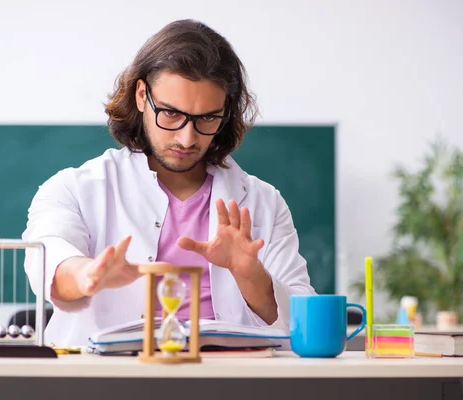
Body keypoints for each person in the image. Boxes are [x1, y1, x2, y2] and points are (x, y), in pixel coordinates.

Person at [22, 19, 316, 346]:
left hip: (228, 379)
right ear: (141, 95)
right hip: (112, 381)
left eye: (207, 118)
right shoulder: (76, 188)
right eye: (171, 114)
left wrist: (251, 276)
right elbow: (45, 258)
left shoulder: (264, 202)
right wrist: (87, 275)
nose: (187, 138)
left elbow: (303, 316)